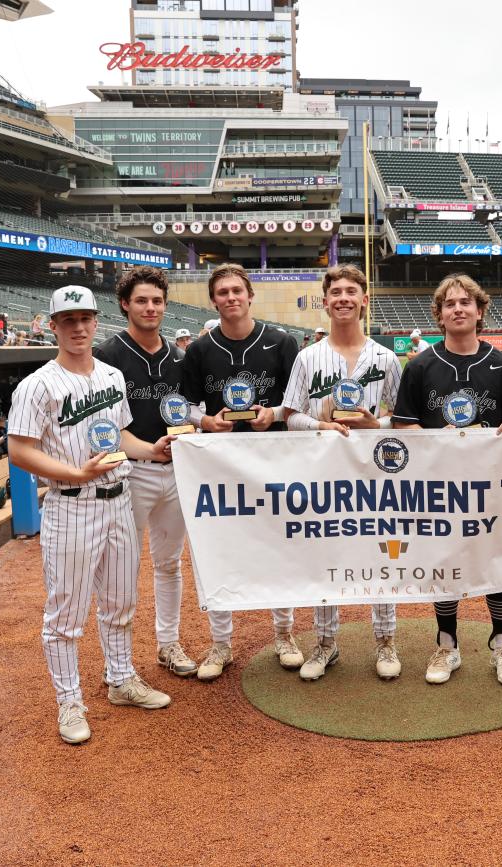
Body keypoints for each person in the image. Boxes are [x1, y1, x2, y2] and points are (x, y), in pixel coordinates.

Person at [6, 285, 174, 745]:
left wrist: (154, 452)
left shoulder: (112, 377)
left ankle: (120, 680)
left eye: (85, 319)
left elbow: (121, 438)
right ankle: (70, 702)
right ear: (54, 325)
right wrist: (75, 474)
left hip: (120, 501)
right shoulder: (37, 385)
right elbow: (19, 450)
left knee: (120, 603)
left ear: (97, 322)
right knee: (66, 615)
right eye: (68, 320)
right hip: (71, 506)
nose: (78, 328)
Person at [393, 274, 502, 687]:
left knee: (495, 559)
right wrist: (440, 441)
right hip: (441, 485)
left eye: (465, 302)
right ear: (439, 315)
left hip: (490, 483)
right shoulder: (420, 366)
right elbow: (403, 425)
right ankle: (447, 643)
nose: (457, 309)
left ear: (480, 310)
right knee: (445, 561)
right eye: (449, 304)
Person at [180, 263, 304, 682]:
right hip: (219, 463)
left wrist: (275, 412)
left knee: (281, 544)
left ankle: (284, 635)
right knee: (217, 549)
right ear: (214, 300)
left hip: (273, 460)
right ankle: (220, 642)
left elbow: (297, 403)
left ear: (250, 296)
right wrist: (205, 421)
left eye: (237, 291)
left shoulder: (281, 342)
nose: (231, 298)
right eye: (223, 292)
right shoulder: (200, 350)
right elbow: (188, 407)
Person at [281, 264, 404, 681]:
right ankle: (325, 641)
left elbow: (403, 420)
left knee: (384, 550)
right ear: (326, 301)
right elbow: (290, 416)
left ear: (364, 300)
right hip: (324, 469)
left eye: (352, 291)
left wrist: (376, 425)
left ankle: (386, 640)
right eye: (336, 292)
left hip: (377, 471)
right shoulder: (307, 357)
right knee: (325, 552)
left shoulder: (386, 358)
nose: (344, 298)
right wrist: (321, 425)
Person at [93, 266, 199, 680]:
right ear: (125, 304)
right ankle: (117, 663)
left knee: (169, 564)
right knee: (120, 567)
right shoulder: (108, 356)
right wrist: (146, 449)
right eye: (141, 300)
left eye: (157, 300)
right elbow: (105, 431)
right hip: (130, 472)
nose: (150, 307)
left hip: (174, 472)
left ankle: (168, 644)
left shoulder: (179, 358)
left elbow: (193, 412)